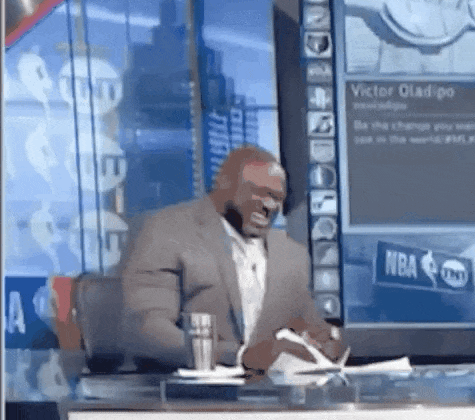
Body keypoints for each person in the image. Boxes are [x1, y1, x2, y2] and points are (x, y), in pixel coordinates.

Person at [121, 145, 344, 373]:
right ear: (225, 186)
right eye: (258, 192)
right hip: (189, 390)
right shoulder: (168, 231)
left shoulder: (291, 253)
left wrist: (326, 342)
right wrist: (240, 356)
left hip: (273, 390)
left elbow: (310, 328)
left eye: (277, 198)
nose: (270, 205)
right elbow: (146, 331)